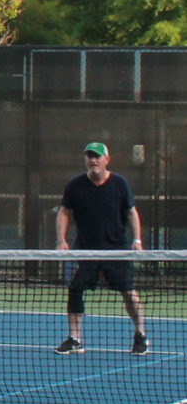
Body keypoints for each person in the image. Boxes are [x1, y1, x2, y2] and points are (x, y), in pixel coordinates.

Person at [53, 142, 146, 356]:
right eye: (89, 156)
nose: (93, 160)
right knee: (75, 289)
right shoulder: (75, 185)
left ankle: (140, 334)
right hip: (86, 250)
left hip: (117, 250)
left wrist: (137, 240)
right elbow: (64, 212)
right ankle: (75, 338)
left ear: (106, 160)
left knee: (128, 292)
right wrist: (61, 240)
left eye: (97, 156)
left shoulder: (120, 184)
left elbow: (131, 212)